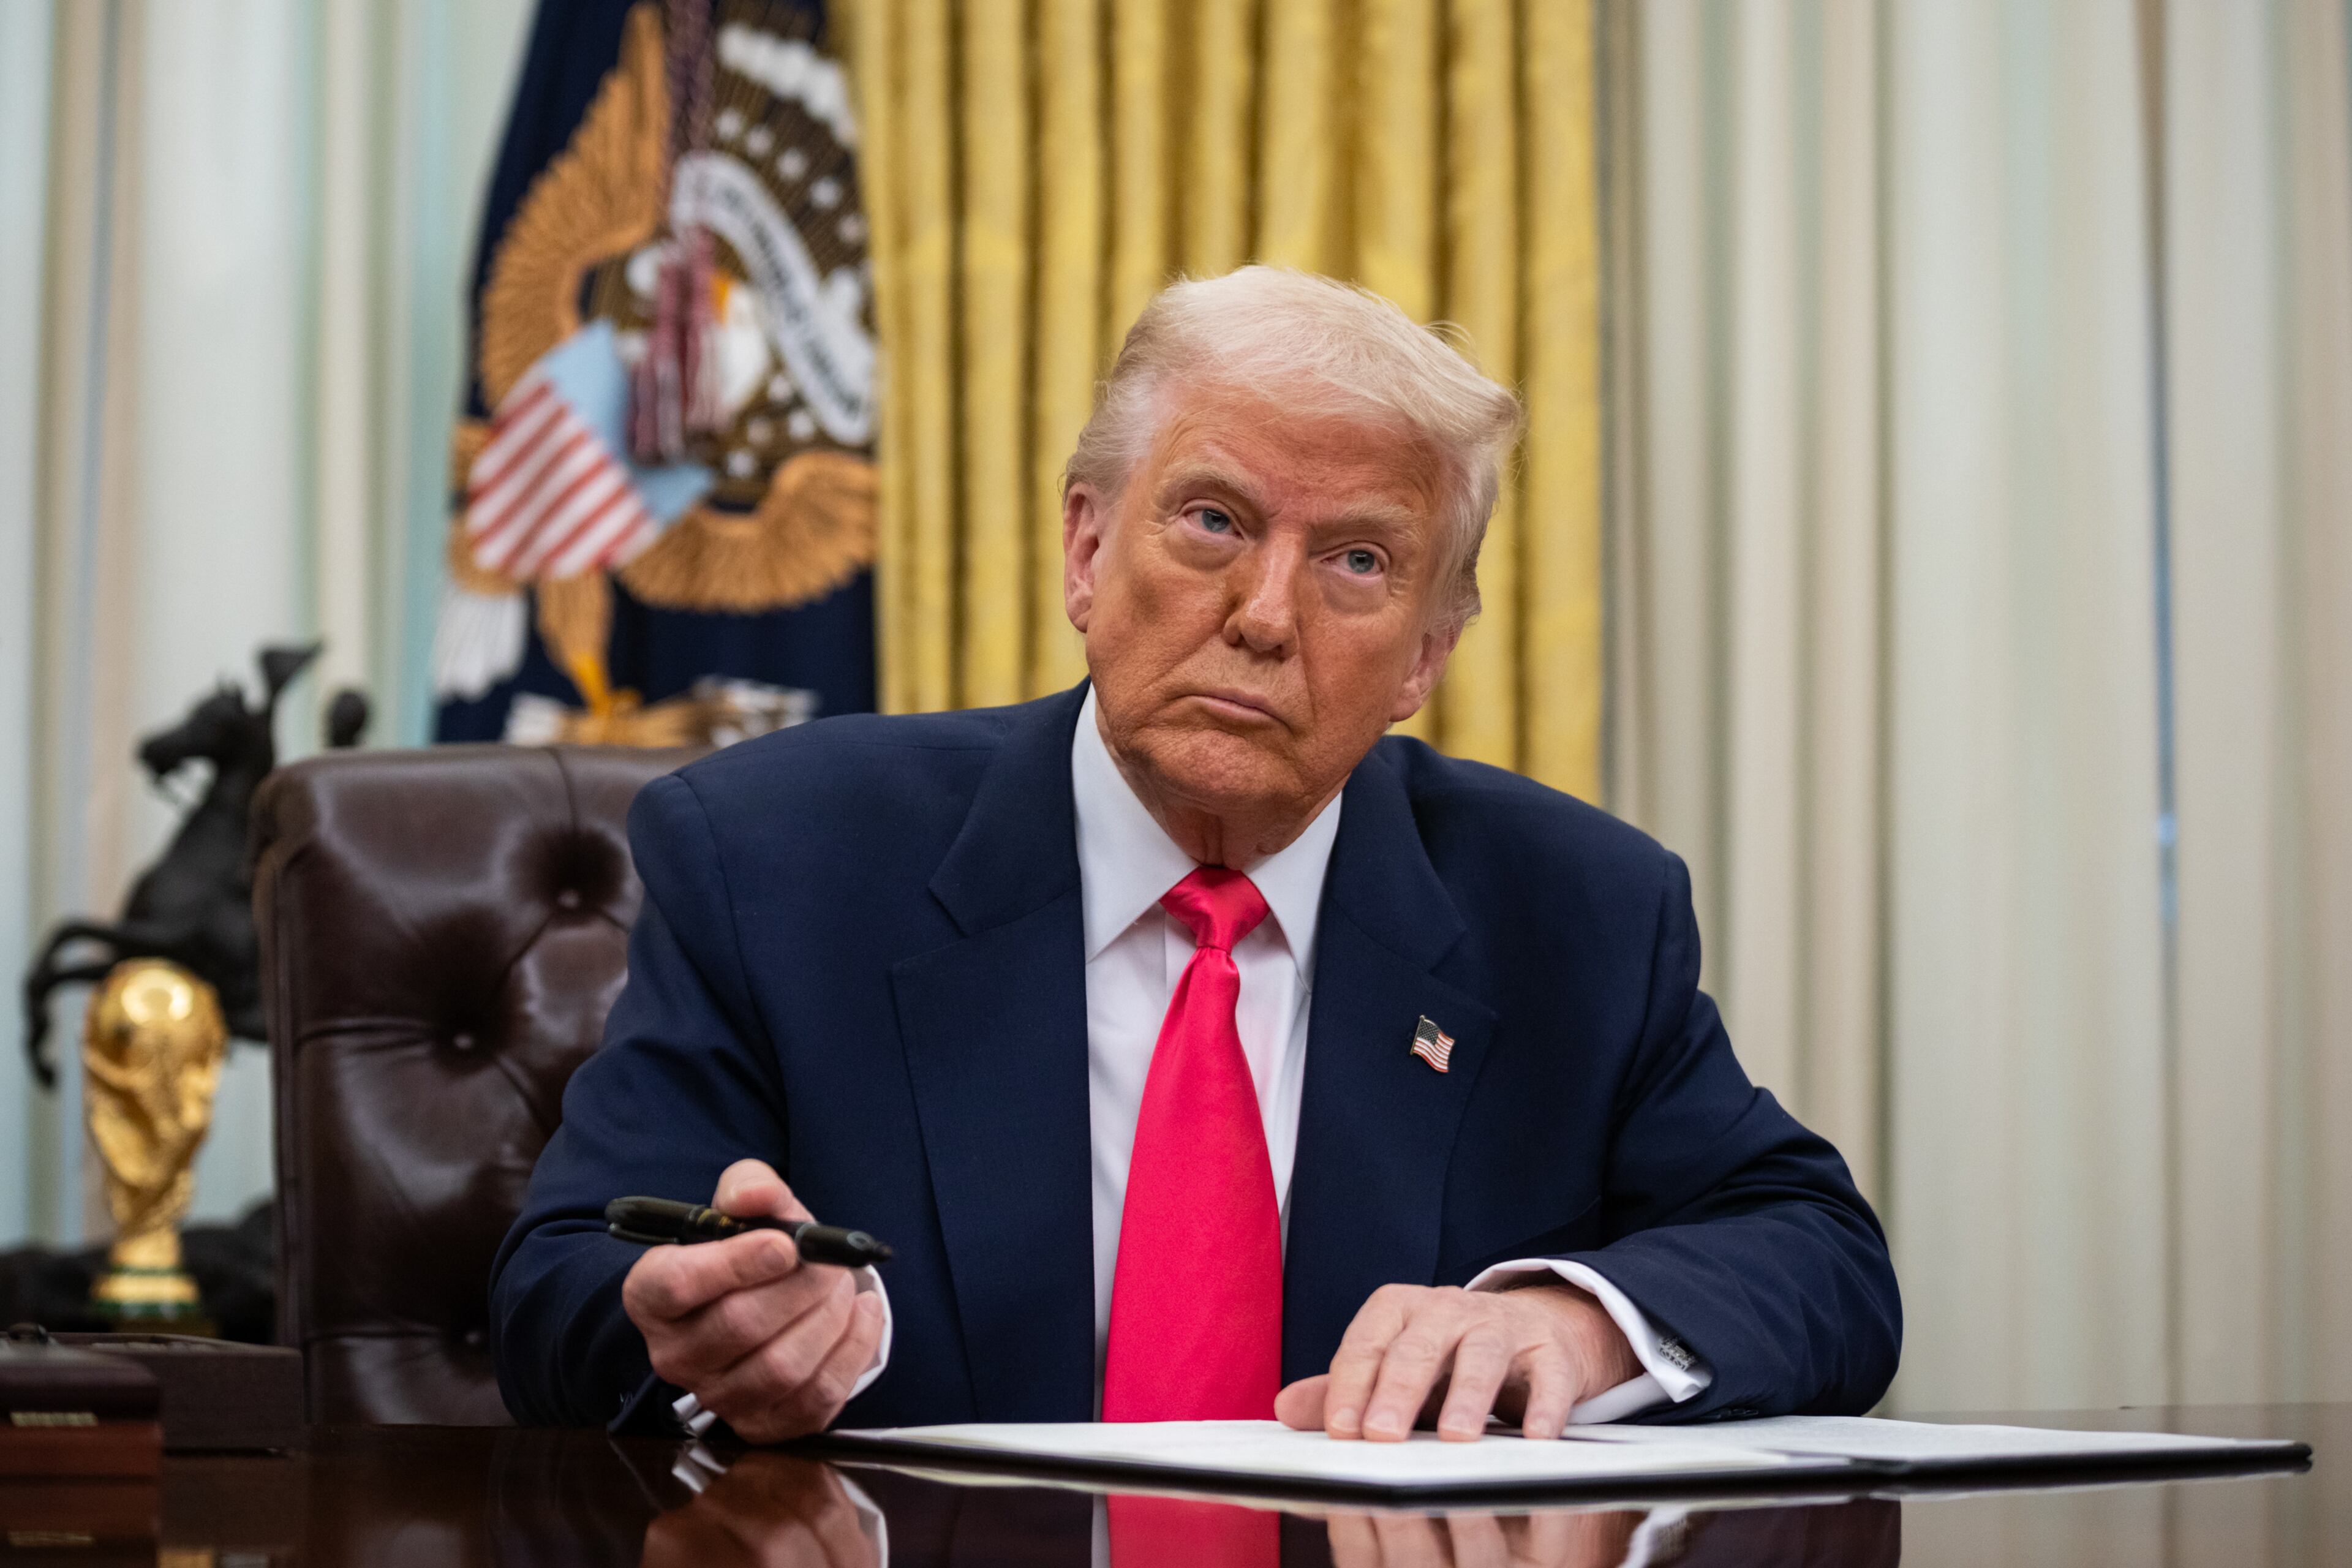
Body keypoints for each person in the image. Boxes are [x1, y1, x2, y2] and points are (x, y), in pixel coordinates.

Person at [490, 268, 1901, 1444]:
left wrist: (1571, 1320)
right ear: (1087, 550)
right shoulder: (779, 858)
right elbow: (561, 1284)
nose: (1268, 614)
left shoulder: (1575, 910)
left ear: (1427, 653)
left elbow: (1823, 1257)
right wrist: (706, 1335)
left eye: (1359, 560)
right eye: (1214, 520)